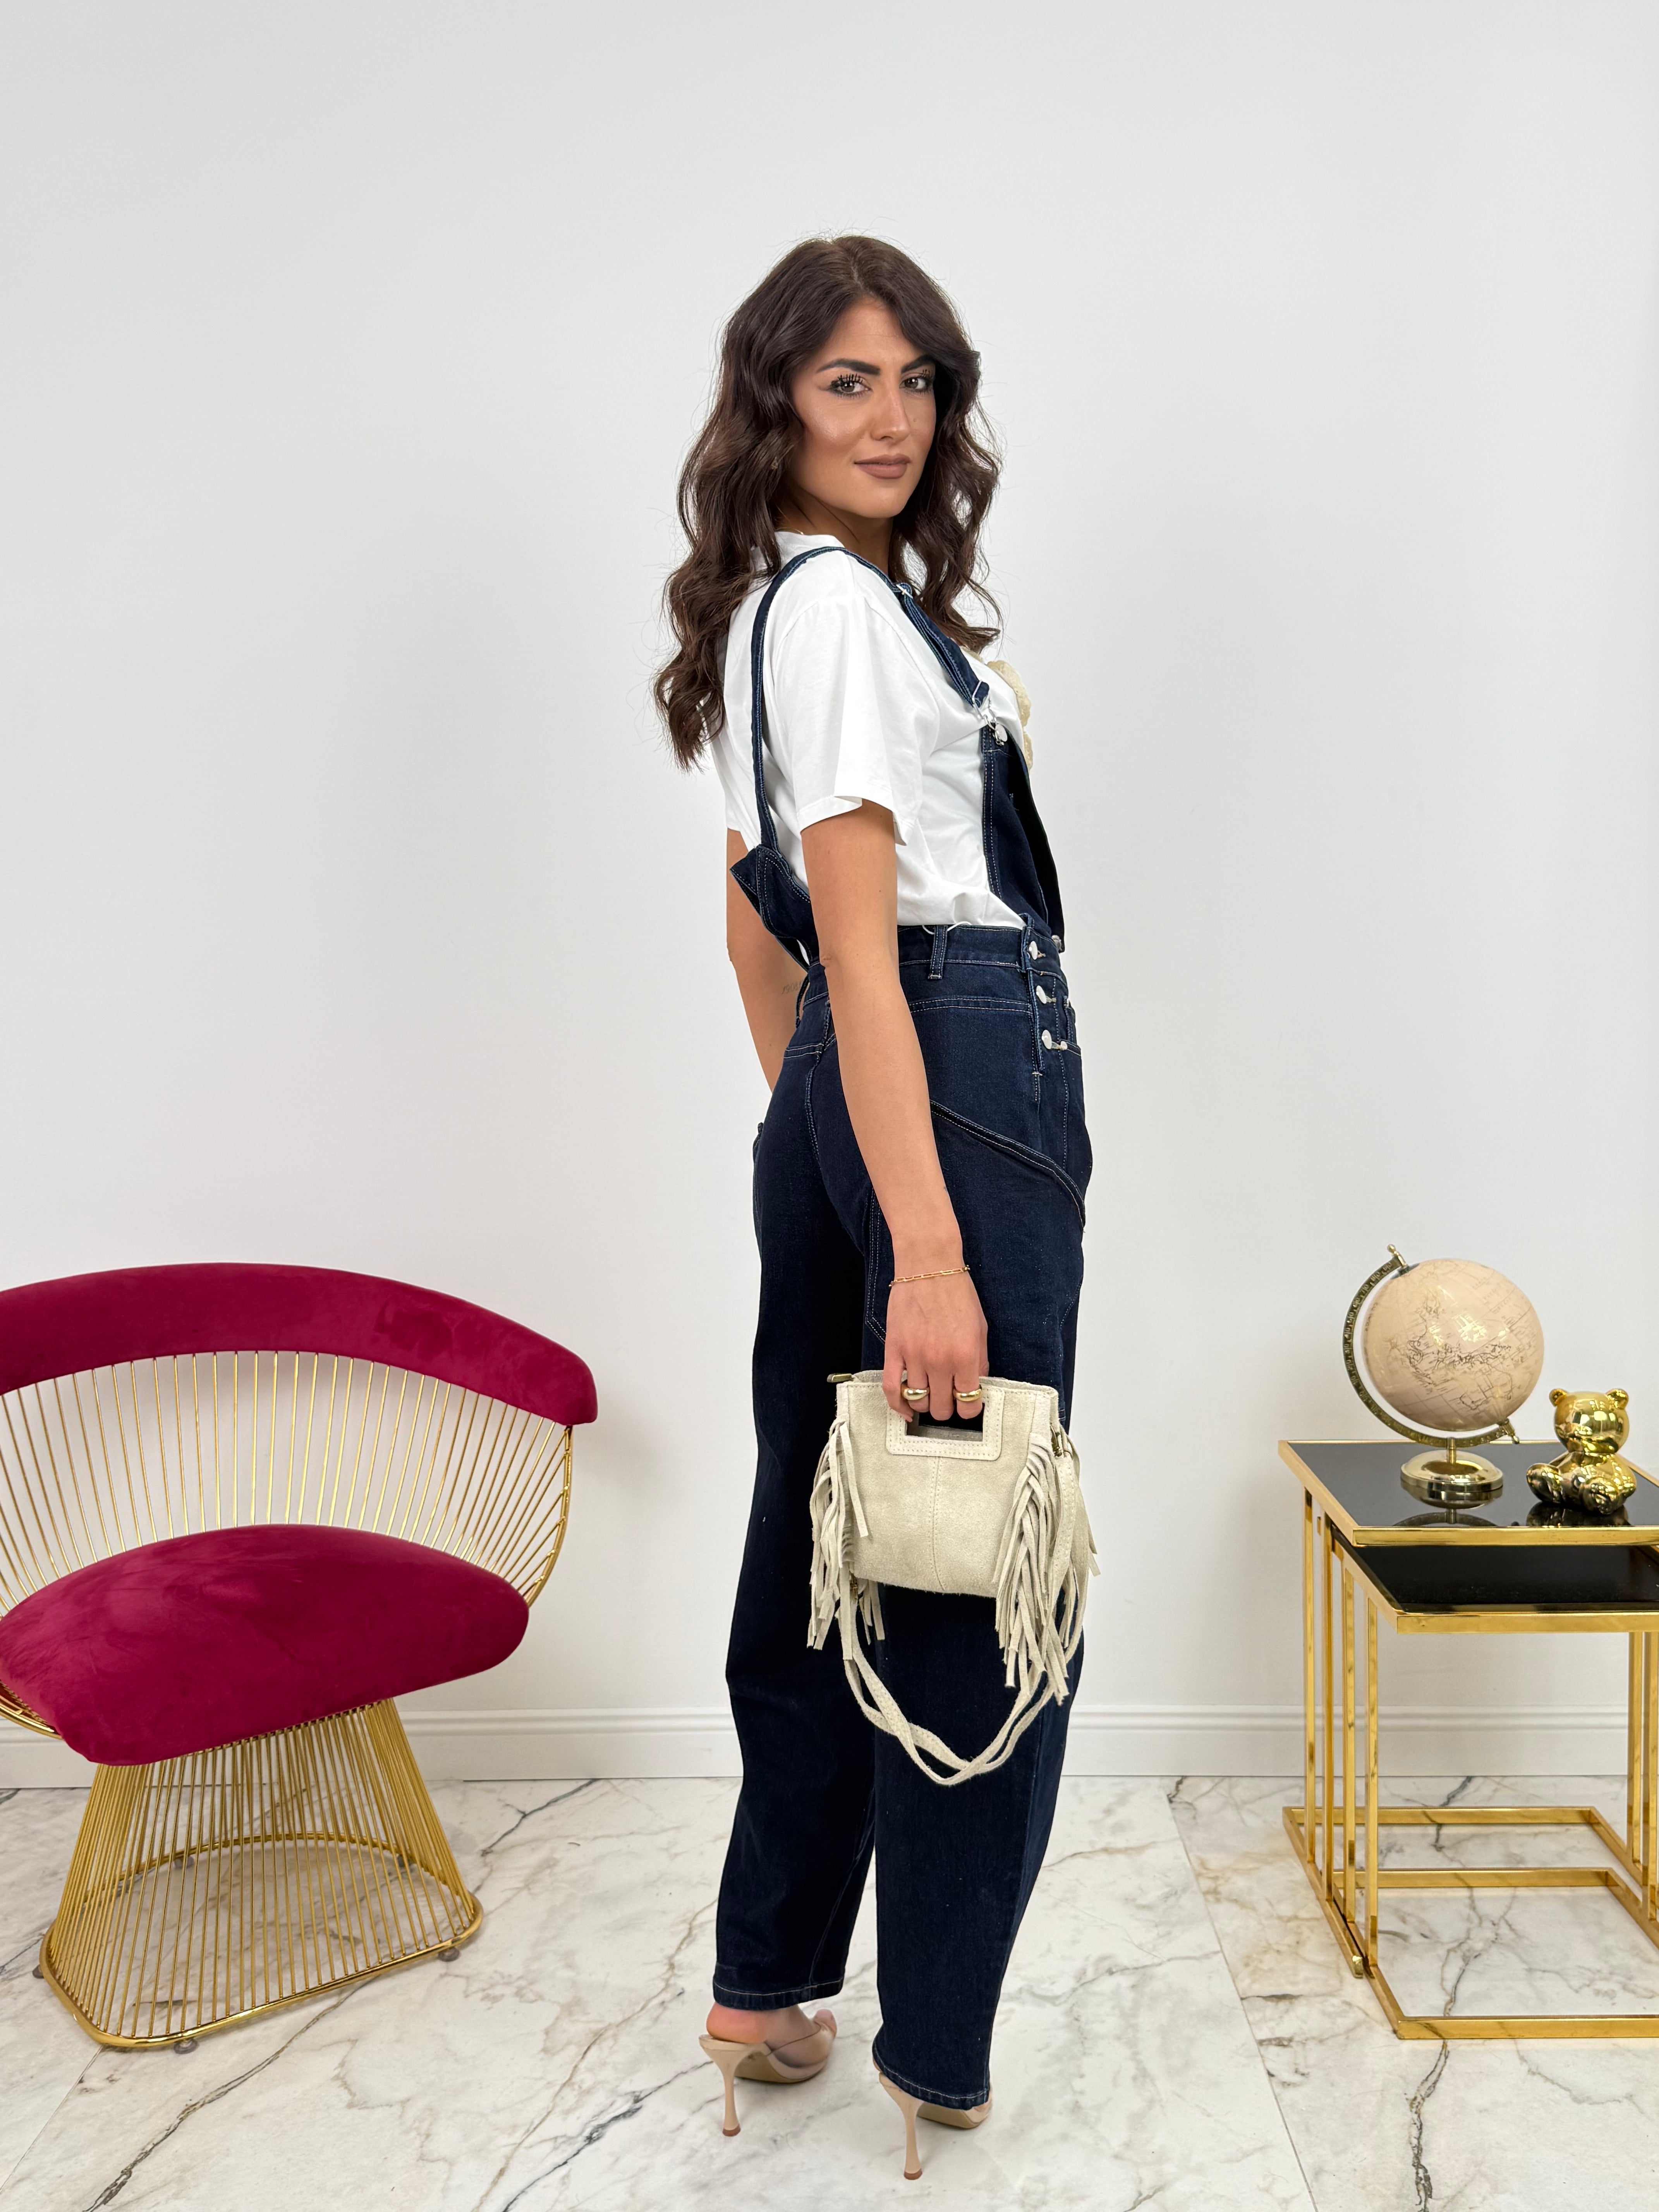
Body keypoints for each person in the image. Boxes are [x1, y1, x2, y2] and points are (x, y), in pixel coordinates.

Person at [656, 235, 1089, 2178]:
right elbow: (844, 923)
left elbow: (750, 930)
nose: (894, 416)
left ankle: (765, 1983)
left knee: (825, 1542)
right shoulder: (841, 613)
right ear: (776, 399)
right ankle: (938, 2047)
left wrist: (820, 1126)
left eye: (918, 379)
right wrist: (922, 1236)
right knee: (976, 1550)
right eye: (847, 380)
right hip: (958, 1068)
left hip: (863, 1081)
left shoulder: (769, 614)